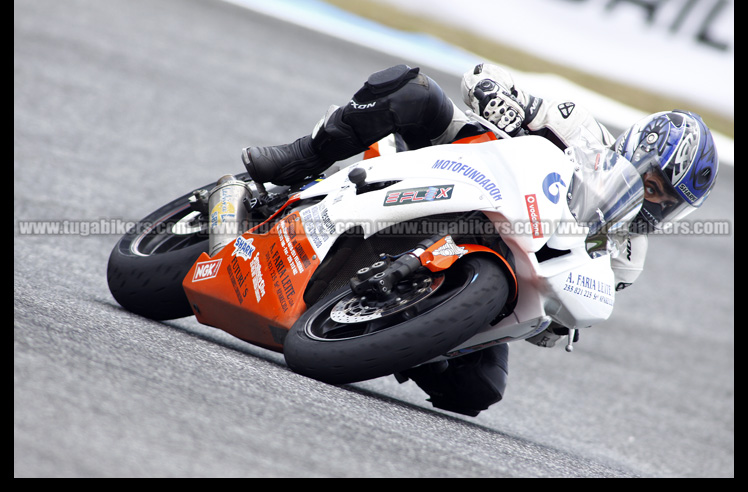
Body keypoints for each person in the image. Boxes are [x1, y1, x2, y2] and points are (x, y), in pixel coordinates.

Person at [243, 63, 719, 416]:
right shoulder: (576, 125)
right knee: (413, 92)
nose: (655, 206)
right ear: (638, 150)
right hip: (458, 164)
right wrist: (499, 100)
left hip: (507, 256)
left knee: (478, 391)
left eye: (670, 204)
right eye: (655, 186)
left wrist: (558, 322)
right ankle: (301, 158)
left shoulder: (628, 256)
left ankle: (396, 331)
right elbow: (479, 78)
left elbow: (557, 323)